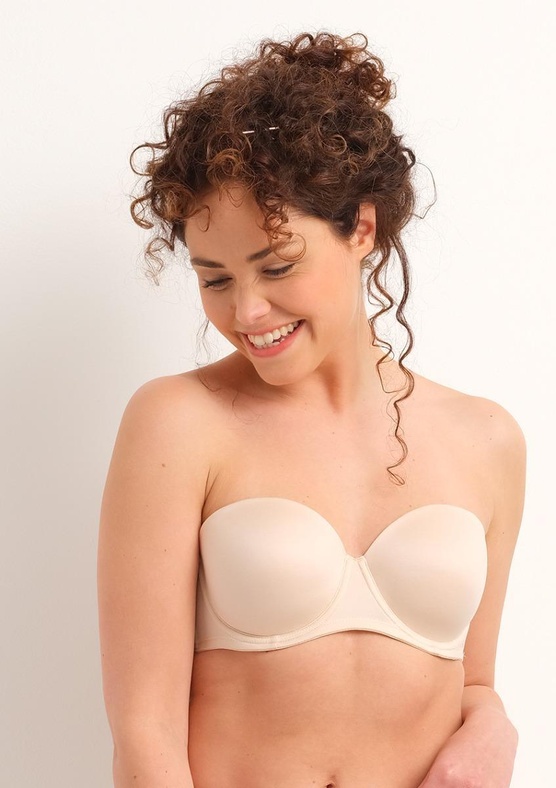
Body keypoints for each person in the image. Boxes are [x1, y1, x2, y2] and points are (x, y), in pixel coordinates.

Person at [97, 31, 526, 788]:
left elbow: (474, 684)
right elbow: (145, 734)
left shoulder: (486, 439)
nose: (247, 311)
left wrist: (496, 726)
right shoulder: (179, 422)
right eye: (215, 279)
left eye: (276, 266)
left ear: (361, 227)